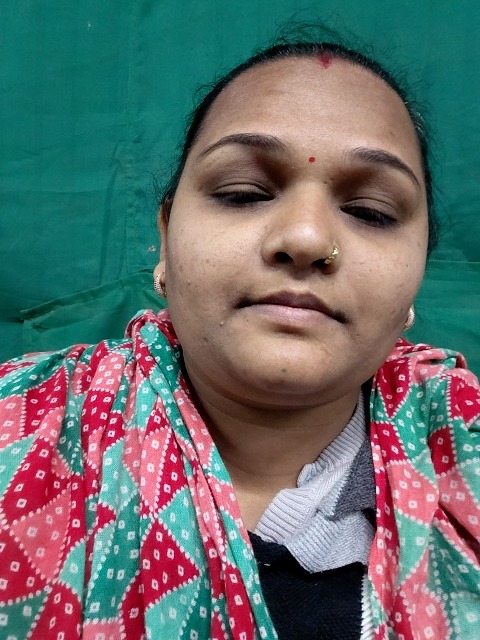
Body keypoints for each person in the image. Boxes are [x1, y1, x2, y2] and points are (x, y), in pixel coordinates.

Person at [0, 35, 479, 640]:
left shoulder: (463, 451)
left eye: (371, 211)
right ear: (166, 238)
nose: (305, 239)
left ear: (417, 276)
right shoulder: (19, 433)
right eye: (242, 193)